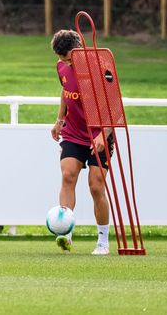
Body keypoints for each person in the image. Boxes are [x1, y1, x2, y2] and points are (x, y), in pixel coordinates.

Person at [49, 29, 112, 255]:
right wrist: (59, 120)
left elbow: (113, 106)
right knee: (68, 175)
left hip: (99, 134)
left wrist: (103, 134)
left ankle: (103, 241)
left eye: (69, 59)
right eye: (62, 59)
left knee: (96, 186)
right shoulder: (61, 66)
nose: (66, 63)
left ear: (79, 50)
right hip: (73, 133)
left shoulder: (100, 68)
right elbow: (66, 91)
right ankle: (65, 233)